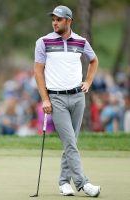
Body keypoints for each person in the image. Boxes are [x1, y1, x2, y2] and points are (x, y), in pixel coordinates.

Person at [34, 5, 100, 197]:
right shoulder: (43, 42)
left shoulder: (81, 41)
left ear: (69, 21)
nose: (55, 22)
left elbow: (94, 60)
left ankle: (64, 182)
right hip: (56, 99)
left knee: (71, 142)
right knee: (70, 142)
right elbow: (38, 71)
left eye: (59, 19)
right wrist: (45, 99)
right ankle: (83, 183)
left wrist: (88, 81)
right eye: (53, 19)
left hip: (78, 97)